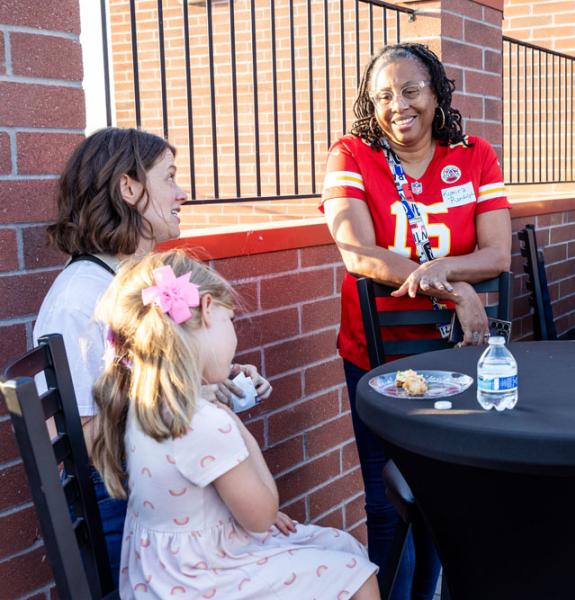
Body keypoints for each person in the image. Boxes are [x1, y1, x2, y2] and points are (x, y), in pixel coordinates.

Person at [33, 127, 271, 581]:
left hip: (162, 498)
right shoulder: (81, 298)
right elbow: (73, 440)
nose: (183, 193)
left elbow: (141, 385)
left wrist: (207, 381)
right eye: (170, 177)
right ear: (129, 187)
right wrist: (185, 398)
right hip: (127, 514)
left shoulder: (130, 279)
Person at [320, 42, 512, 599]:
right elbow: (357, 252)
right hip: (378, 360)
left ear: (437, 94)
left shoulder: (475, 155)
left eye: (410, 91)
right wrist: (457, 291)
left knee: (450, 499)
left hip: (458, 357)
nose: (398, 105)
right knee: (388, 503)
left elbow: (497, 254)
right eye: (383, 95)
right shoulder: (353, 154)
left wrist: (443, 273)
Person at [90, 251, 379, 599]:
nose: (234, 338)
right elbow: (262, 515)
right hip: (204, 580)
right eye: (230, 321)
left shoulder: (146, 401)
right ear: (207, 309)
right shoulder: (207, 421)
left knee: (340, 544)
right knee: (358, 575)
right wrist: (230, 418)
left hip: (163, 574)